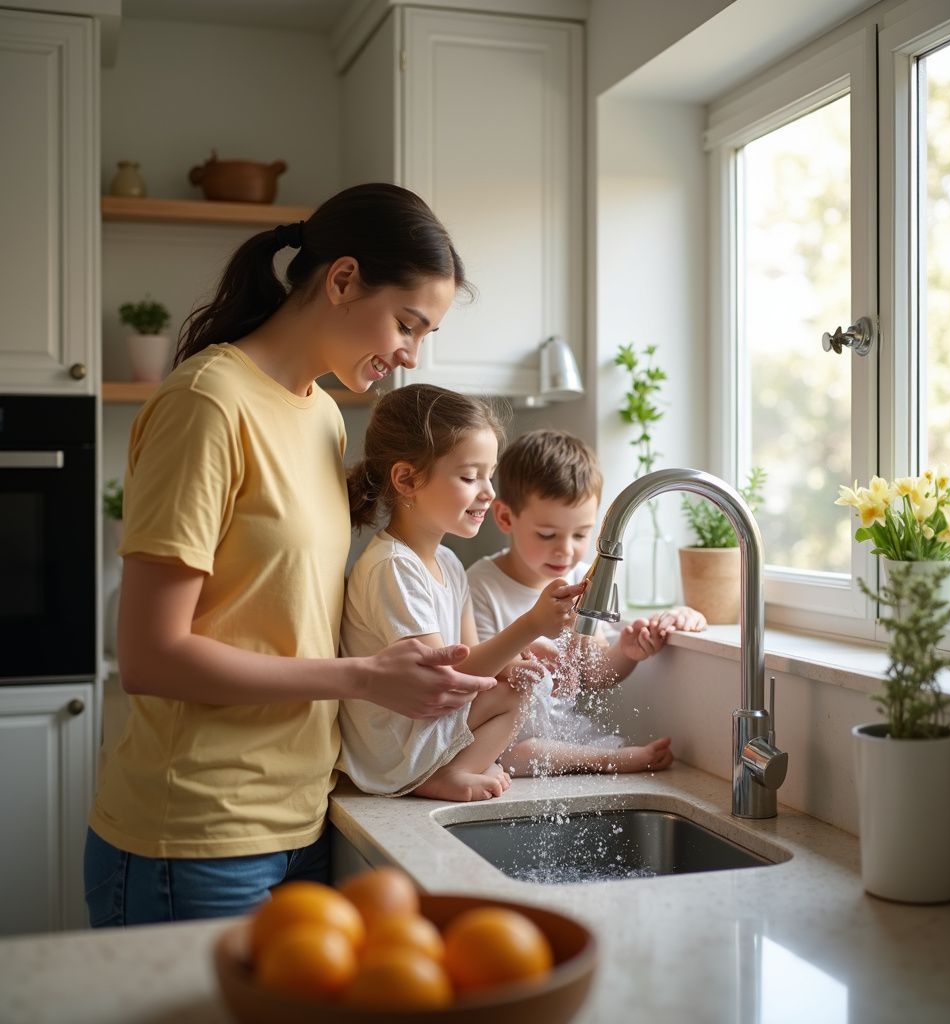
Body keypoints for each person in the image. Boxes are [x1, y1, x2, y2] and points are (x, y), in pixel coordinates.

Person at [85, 183, 500, 927]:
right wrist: (366, 680)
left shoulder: (323, 418)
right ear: (342, 280)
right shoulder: (208, 405)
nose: (408, 354)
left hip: (304, 815)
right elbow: (149, 655)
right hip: (197, 833)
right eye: (407, 324)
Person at [339, 385, 587, 803]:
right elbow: (441, 681)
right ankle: (437, 775)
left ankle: (450, 768)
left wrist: (517, 658)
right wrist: (529, 627)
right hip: (395, 751)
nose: (488, 492)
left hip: (424, 729)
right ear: (407, 479)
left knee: (517, 682)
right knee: (511, 690)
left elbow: (471, 657)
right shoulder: (394, 567)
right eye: (470, 477)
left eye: (489, 475)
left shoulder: (450, 564)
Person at [467, 429, 707, 777]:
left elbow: (594, 673)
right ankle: (611, 761)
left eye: (581, 534)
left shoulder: (585, 578)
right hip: (496, 738)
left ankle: (598, 756)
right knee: (517, 752)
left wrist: (627, 651)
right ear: (505, 518)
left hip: (562, 737)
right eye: (547, 535)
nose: (565, 550)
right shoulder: (482, 584)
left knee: (551, 745)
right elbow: (476, 675)